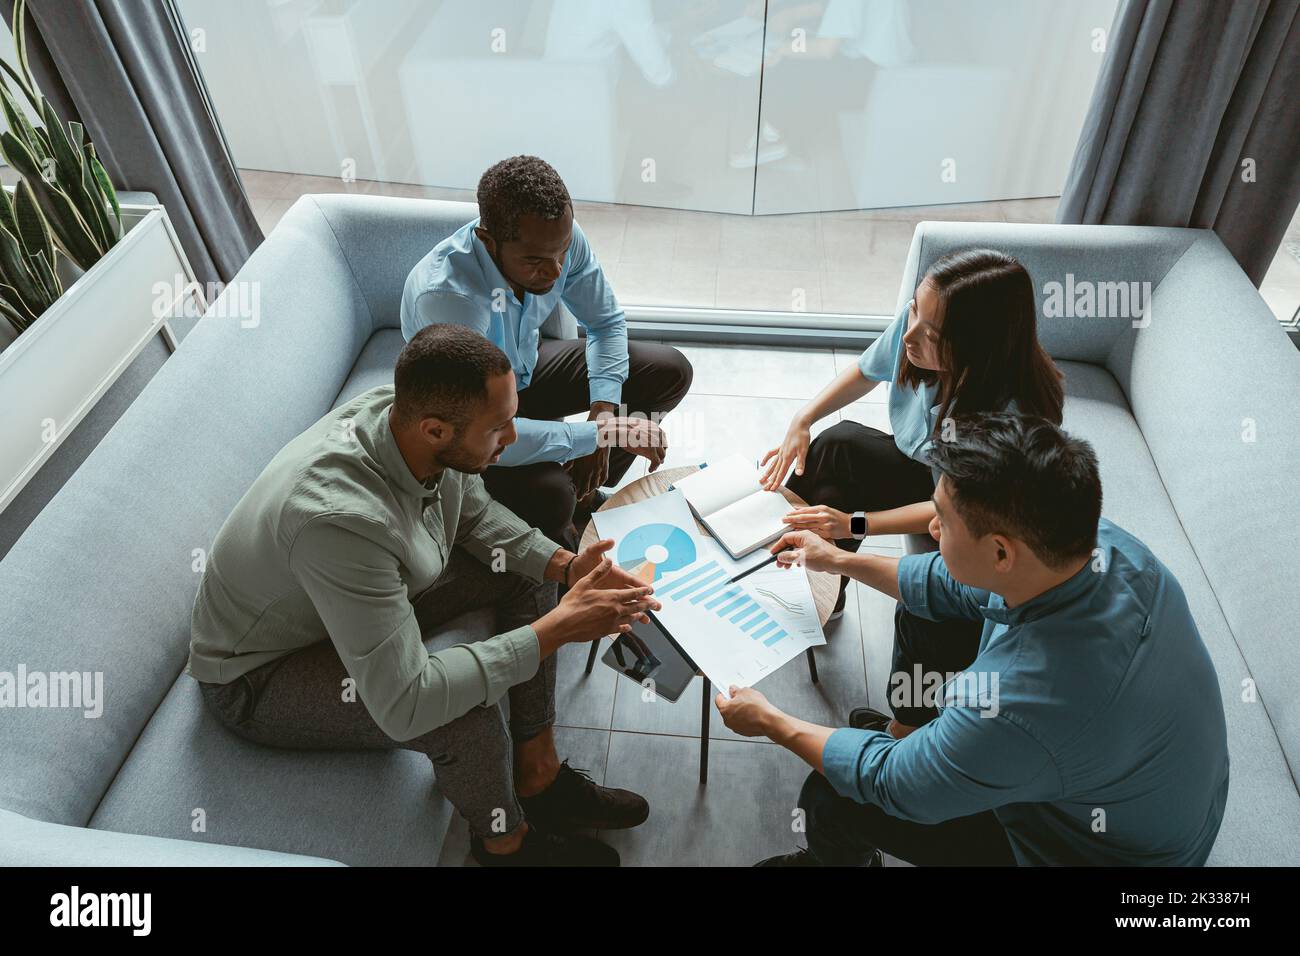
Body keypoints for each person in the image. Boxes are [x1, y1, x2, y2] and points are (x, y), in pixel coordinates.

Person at [187, 325, 663, 867]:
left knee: (532, 571)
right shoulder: (340, 521)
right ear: (436, 429)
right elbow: (407, 702)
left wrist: (567, 566)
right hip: (262, 674)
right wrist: (559, 627)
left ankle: (539, 775)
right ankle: (505, 846)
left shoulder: (403, 420)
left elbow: (475, 515)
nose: (512, 438)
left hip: (344, 605)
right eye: (500, 427)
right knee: (463, 710)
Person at [718, 414, 1230, 866]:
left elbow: (891, 782)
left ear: (1002, 553)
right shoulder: (1103, 548)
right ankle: (918, 738)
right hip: (1134, 790)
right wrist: (839, 558)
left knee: (835, 791)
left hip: (1089, 851)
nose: (932, 527)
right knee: (925, 614)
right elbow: (946, 584)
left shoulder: (1020, 701)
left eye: (943, 518)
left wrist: (770, 720)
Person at [762, 248, 1064, 737]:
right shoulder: (920, 326)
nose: (908, 335)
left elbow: (949, 507)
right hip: (928, 469)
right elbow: (865, 369)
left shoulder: (1010, 420)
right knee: (838, 446)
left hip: (971, 512)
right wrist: (803, 419)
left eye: (931, 334)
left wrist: (853, 523)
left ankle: (905, 730)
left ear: (976, 349)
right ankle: (807, 573)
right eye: (913, 312)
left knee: (927, 607)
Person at [401, 154, 693, 549]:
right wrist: (594, 436)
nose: (557, 271)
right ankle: (563, 517)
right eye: (536, 261)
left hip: (525, 370)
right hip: (475, 423)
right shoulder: (451, 300)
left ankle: (585, 496)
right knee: (552, 497)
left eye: (562, 251)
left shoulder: (561, 239)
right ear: (489, 242)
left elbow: (606, 323)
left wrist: (602, 414)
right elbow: (480, 431)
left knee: (668, 369)